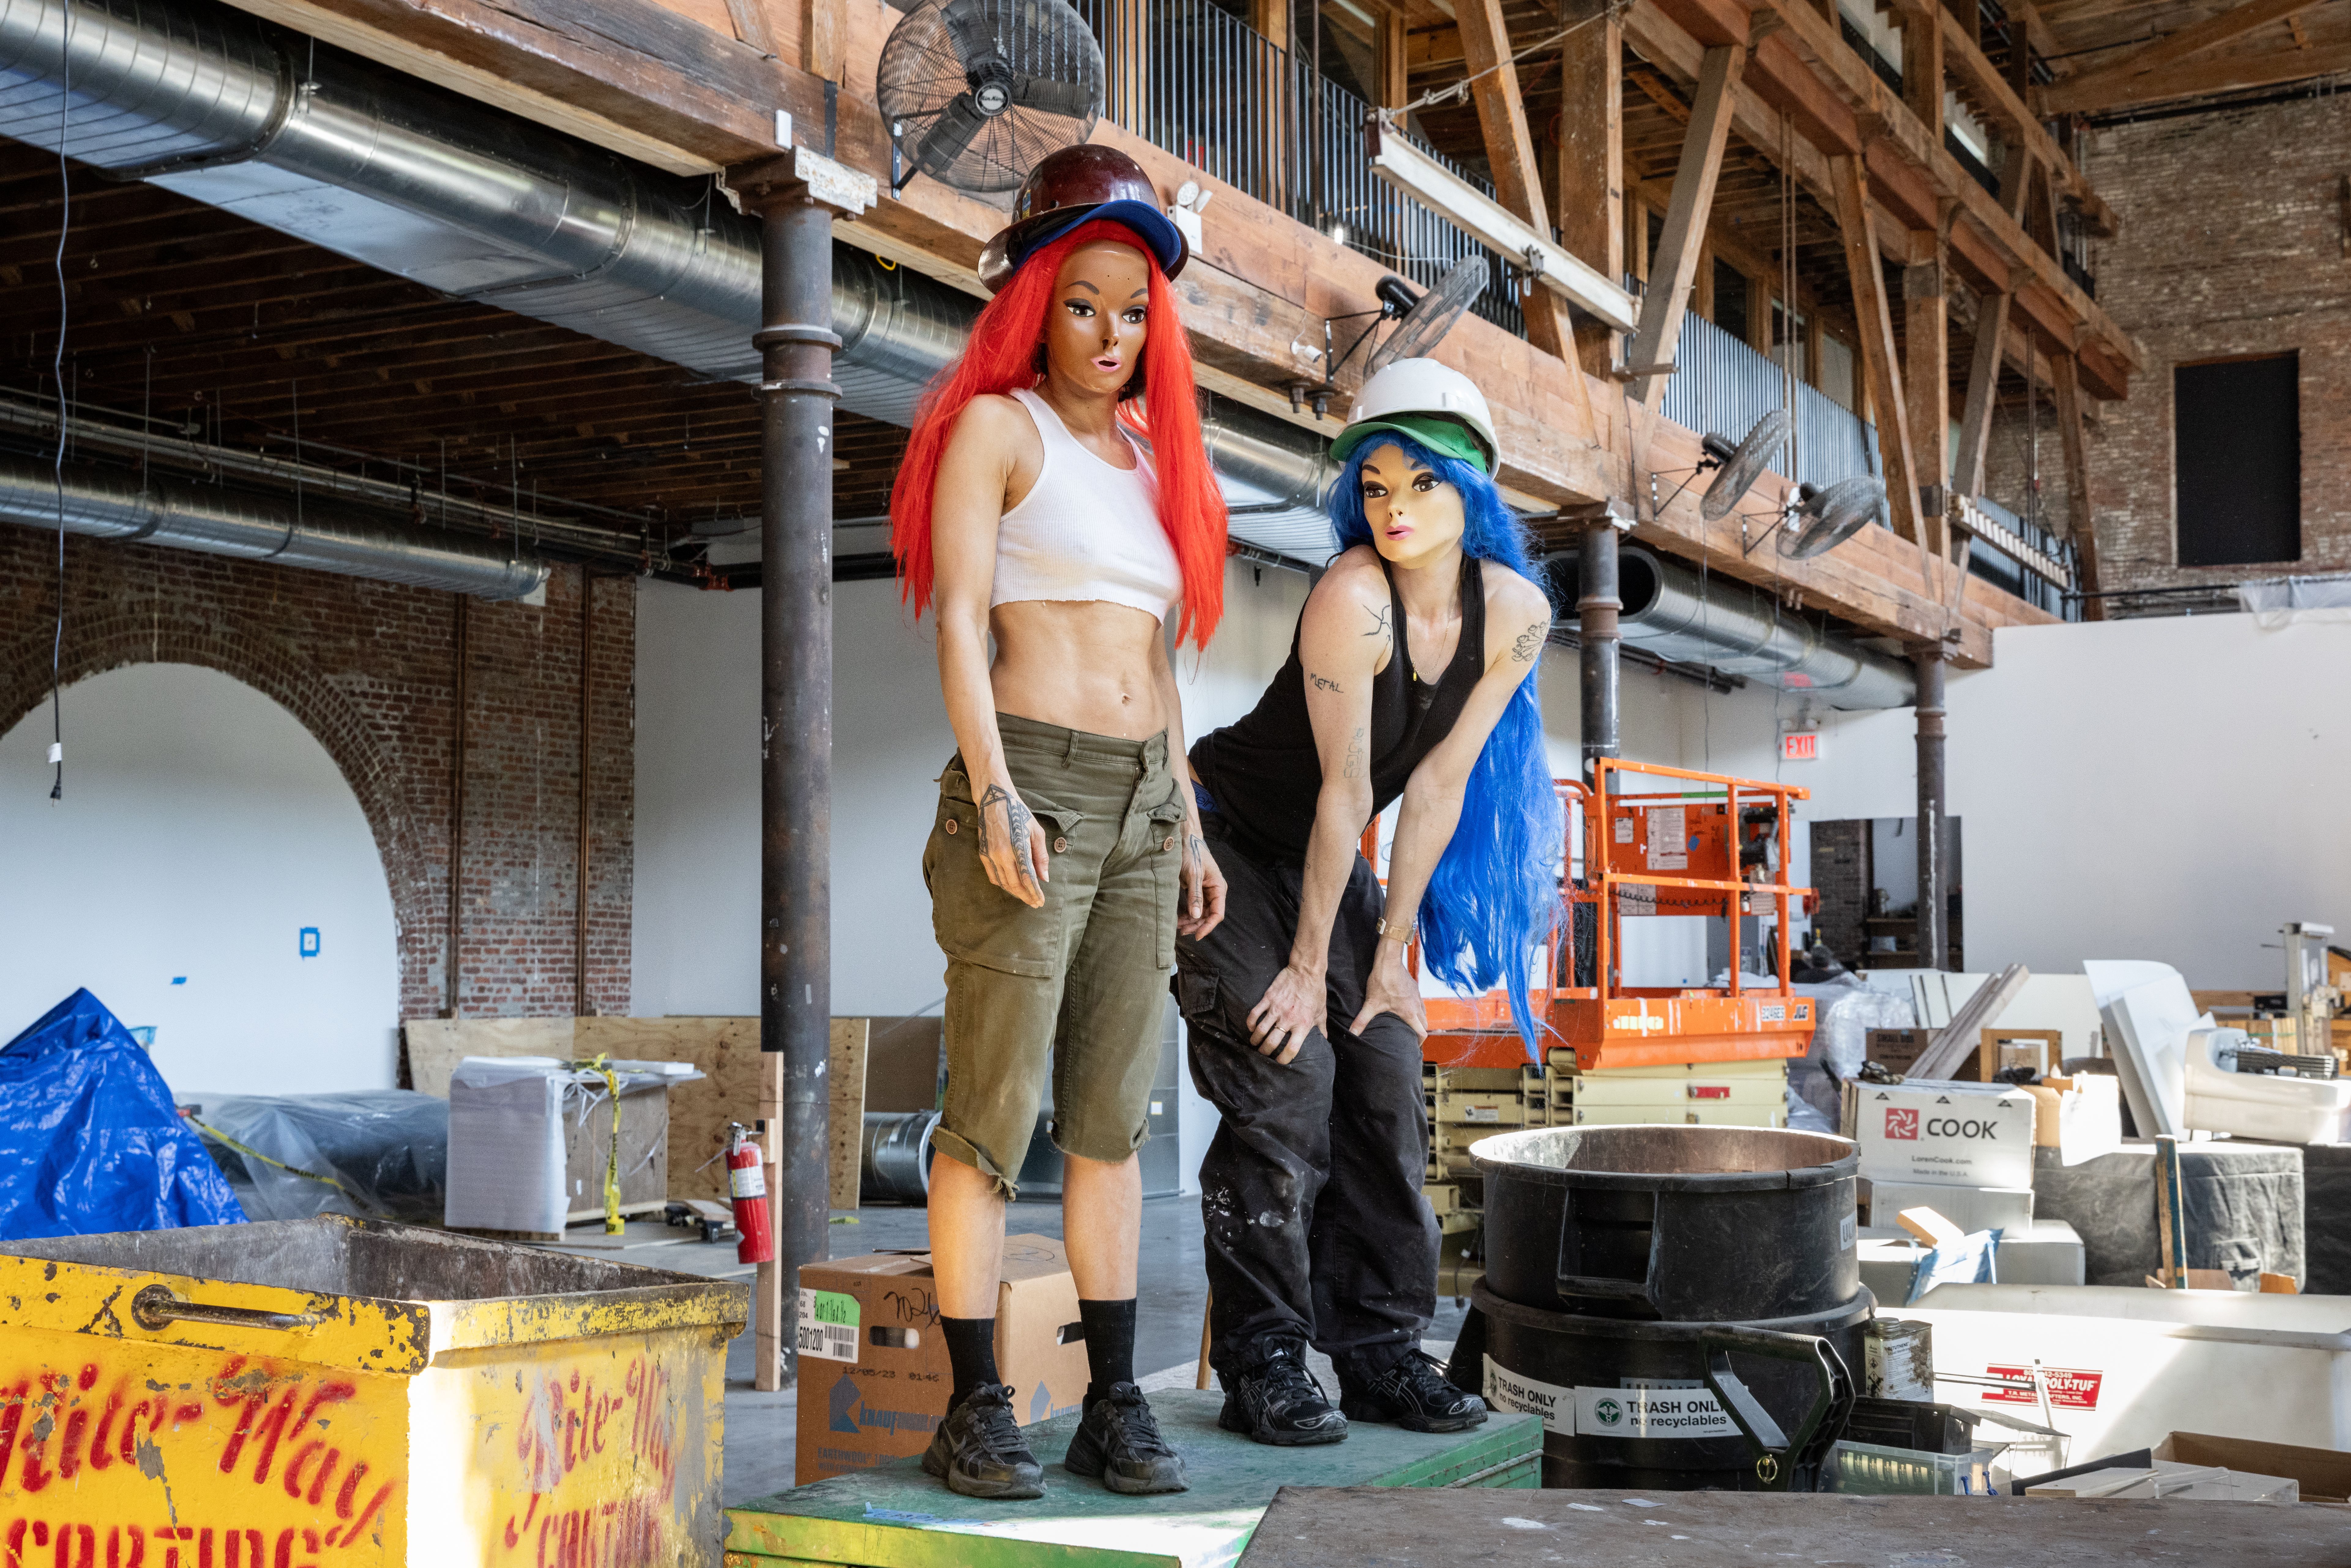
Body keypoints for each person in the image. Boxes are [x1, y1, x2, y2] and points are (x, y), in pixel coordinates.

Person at [888, 144, 1230, 1501]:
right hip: (1029, 777)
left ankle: (1110, 1408)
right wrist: (992, 789)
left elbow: (1160, 662)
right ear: (1036, 297)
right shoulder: (998, 427)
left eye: (1133, 308)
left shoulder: (1155, 456)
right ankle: (974, 1406)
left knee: (1111, 1122)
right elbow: (962, 627)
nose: (1109, 333)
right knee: (990, 1113)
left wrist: (1191, 822)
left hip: (1147, 799)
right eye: (1082, 302)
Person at [1177, 358, 1562, 1445]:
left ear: (1474, 487)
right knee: (1285, 1074)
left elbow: (1432, 785)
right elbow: (1343, 789)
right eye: (1376, 487)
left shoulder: (1515, 611)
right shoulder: (1352, 596)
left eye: (1421, 487)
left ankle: (1382, 1350)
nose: (1393, 510)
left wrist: (1389, 953)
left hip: (1333, 859)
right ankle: (1262, 1357)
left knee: (1386, 1071)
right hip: (1229, 837)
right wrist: (1305, 965)